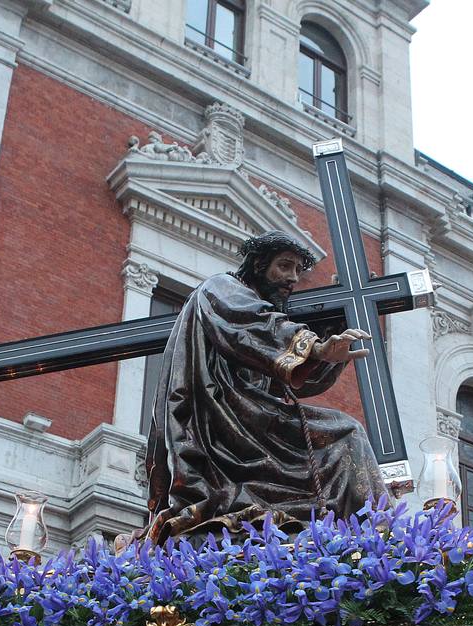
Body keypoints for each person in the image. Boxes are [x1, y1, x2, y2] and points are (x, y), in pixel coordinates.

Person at [144, 230, 389, 543]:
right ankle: (377, 538)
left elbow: (301, 381)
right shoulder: (221, 287)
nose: (292, 278)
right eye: (284, 266)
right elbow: (251, 323)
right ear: (259, 264)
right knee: (346, 433)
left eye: (298, 271)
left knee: (343, 437)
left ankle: (365, 542)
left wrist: (338, 326)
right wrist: (314, 347)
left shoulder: (268, 324)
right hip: (218, 423)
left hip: (253, 422)